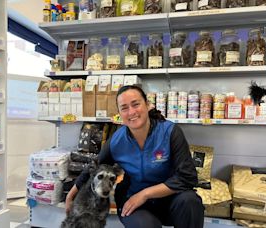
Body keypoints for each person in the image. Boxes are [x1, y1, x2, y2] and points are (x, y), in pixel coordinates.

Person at [65, 85, 204, 228]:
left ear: (148, 105)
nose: (131, 112)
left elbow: (188, 177)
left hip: (170, 198)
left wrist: (145, 194)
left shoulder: (170, 132)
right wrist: (70, 195)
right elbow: (92, 168)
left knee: (191, 202)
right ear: (119, 113)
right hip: (133, 201)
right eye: (124, 108)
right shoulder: (117, 141)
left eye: (136, 104)